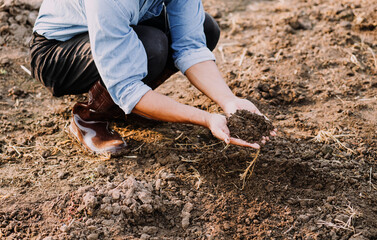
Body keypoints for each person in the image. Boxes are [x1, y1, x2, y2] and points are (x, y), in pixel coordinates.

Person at [30, 0, 276, 156]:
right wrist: (206, 119)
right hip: (57, 52)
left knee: (205, 28)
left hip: (113, 30)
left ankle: (125, 110)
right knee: (152, 47)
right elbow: (125, 85)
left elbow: (190, 46)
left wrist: (229, 101)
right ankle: (89, 119)